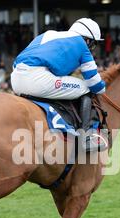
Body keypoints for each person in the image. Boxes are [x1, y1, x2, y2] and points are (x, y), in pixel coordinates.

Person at [11, 18, 107, 152]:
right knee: (85, 88)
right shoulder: (82, 45)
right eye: (93, 44)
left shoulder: (48, 34)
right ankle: (85, 139)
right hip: (36, 78)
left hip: (15, 77)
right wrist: (104, 87)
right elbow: (95, 83)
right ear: (87, 40)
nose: (92, 49)